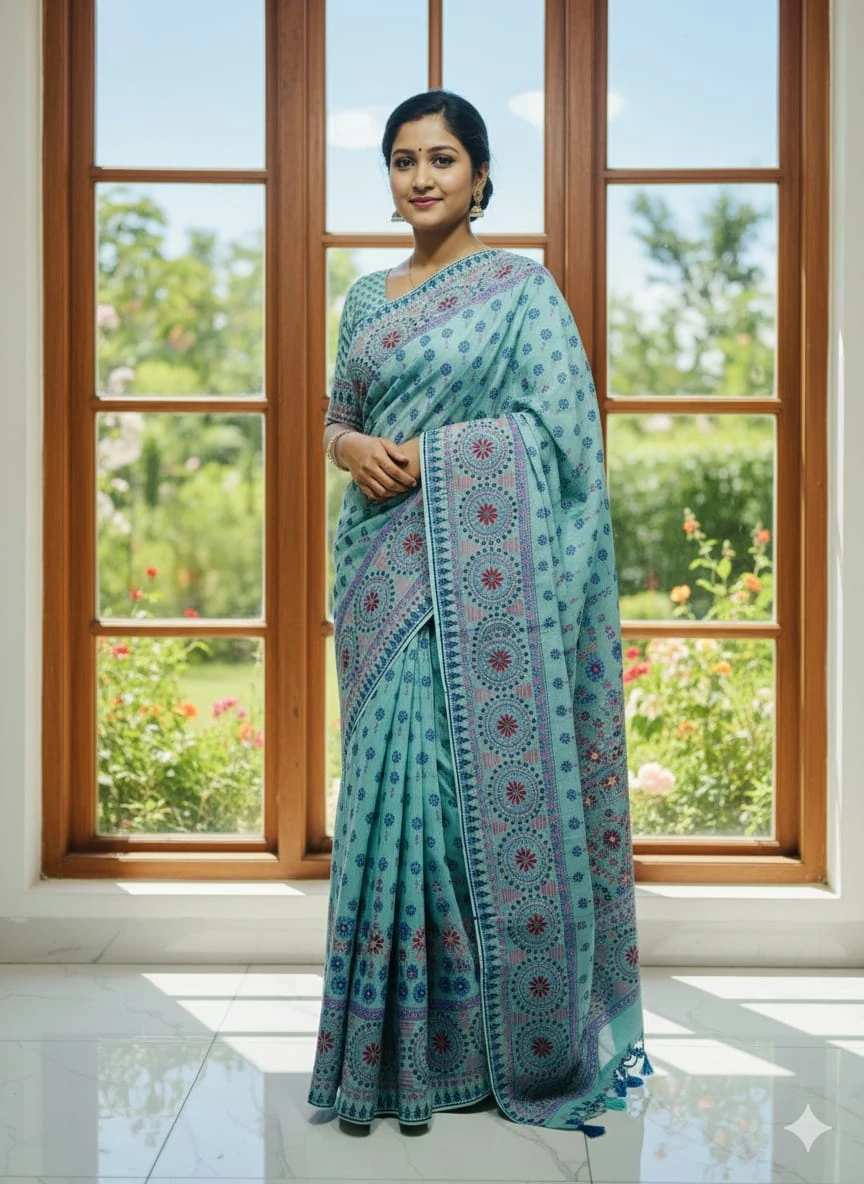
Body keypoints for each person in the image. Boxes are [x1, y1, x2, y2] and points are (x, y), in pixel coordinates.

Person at [308, 89, 652, 1134]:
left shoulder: (522, 292)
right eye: (403, 159)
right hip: (378, 574)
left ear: (481, 175)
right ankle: (383, 1050)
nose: (421, 177)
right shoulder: (366, 299)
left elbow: (564, 442)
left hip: (476, 582)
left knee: (459, 804)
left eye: (442, 159)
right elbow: (336, 415)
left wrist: (443, 458)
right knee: (384, 796)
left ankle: (470, 1046)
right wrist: (348, 447)